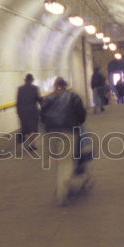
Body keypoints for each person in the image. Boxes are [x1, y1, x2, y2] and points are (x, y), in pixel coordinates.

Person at [40, 77, 89, 205]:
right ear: (66, 85)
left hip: (51, 134)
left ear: (55, 86)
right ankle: (62, 194)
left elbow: (42, 116)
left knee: (59, 162)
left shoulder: (48, 99)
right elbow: (82, 115)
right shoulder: (73, 97)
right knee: (66, 163)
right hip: (68, 132)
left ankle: (60, 187)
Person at [15, 73, 42, 154]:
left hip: (23, 112)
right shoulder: (35, 88)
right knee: (33, 129)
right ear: (32, 80)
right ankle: (32, 144)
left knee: (25, 128)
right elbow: (39, 99)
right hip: (33, 111)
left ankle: (28, 142)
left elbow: (18, 101)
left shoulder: (20, 89)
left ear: (25, 80)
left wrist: (18, 112)